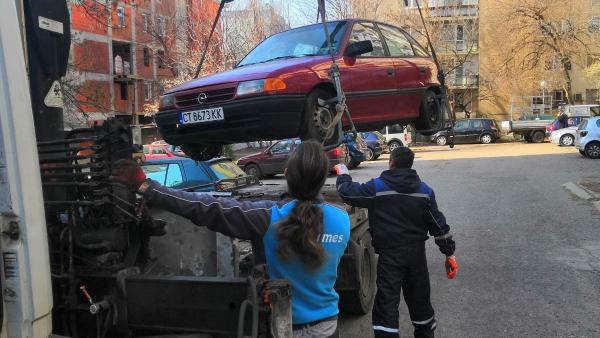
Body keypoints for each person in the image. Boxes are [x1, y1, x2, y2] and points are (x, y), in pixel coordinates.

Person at [112, 141, 349, 338]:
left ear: (286, 174)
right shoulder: (342, 219)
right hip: (328, 328)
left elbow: (207, 208)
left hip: (281, 328)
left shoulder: (268, 217)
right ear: (322, 177)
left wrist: (145, 186)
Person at [333, 146, 457, 338]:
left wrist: (343, 173)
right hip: (416, 256)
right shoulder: (425, 191)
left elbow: (349, 193)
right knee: (420, 299)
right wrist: (449, 253)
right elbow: (439, 227)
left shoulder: (378, 187)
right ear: (410, 165)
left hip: (390, 256)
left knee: (387, 303)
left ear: (391, 162)